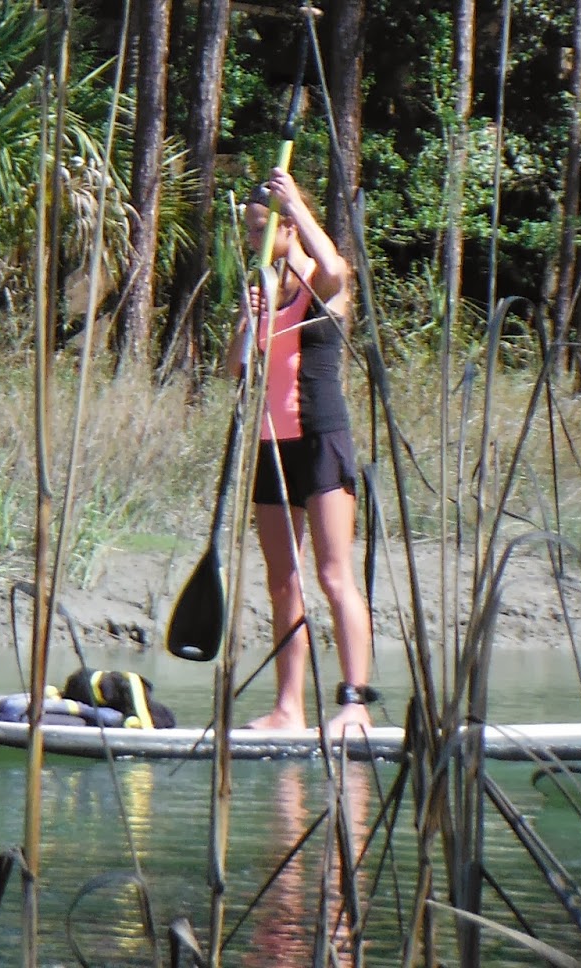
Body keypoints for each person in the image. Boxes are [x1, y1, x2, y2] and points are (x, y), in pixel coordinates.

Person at [234, 167, 375, 735]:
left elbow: (341, 268)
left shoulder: (323, 283)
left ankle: (355, 705)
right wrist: (249, 322)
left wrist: (295, 202)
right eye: (249, 231)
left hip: (321, 437)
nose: (255, 240)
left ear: (290, 227)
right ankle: (288, 708)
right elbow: (238, 370)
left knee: (333, 575)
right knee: (282, 581)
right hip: (272, 444)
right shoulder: (264, 290)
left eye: (264, 227)